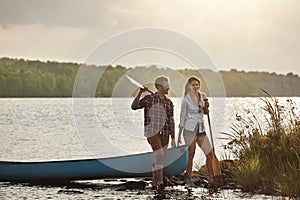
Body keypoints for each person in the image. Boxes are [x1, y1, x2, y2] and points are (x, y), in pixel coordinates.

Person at [131, 76, 176, 191]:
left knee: (159, 158)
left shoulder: (169, 102)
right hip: (152, 132)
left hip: (165, 132)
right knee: (159, 155)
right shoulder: (149, 99)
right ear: (159, 87)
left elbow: (171, 119)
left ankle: (154, 182)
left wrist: (173, 135)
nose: (168, 88)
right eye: (166, 85)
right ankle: (160, 182)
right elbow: (134, 106)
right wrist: (140, 92)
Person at [177, 76, 214, 187]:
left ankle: (211, 178)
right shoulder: (186, 100)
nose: (195, 86)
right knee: (191, 154)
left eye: (197, 84)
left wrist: (207, 107)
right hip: (189, 130)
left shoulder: (203, 96)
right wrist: (179, 135)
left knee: (210, 154)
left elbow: (205, 113)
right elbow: (182, 118)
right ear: (189, 86)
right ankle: (188, 179)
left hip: (201, 129)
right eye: (193, 85)